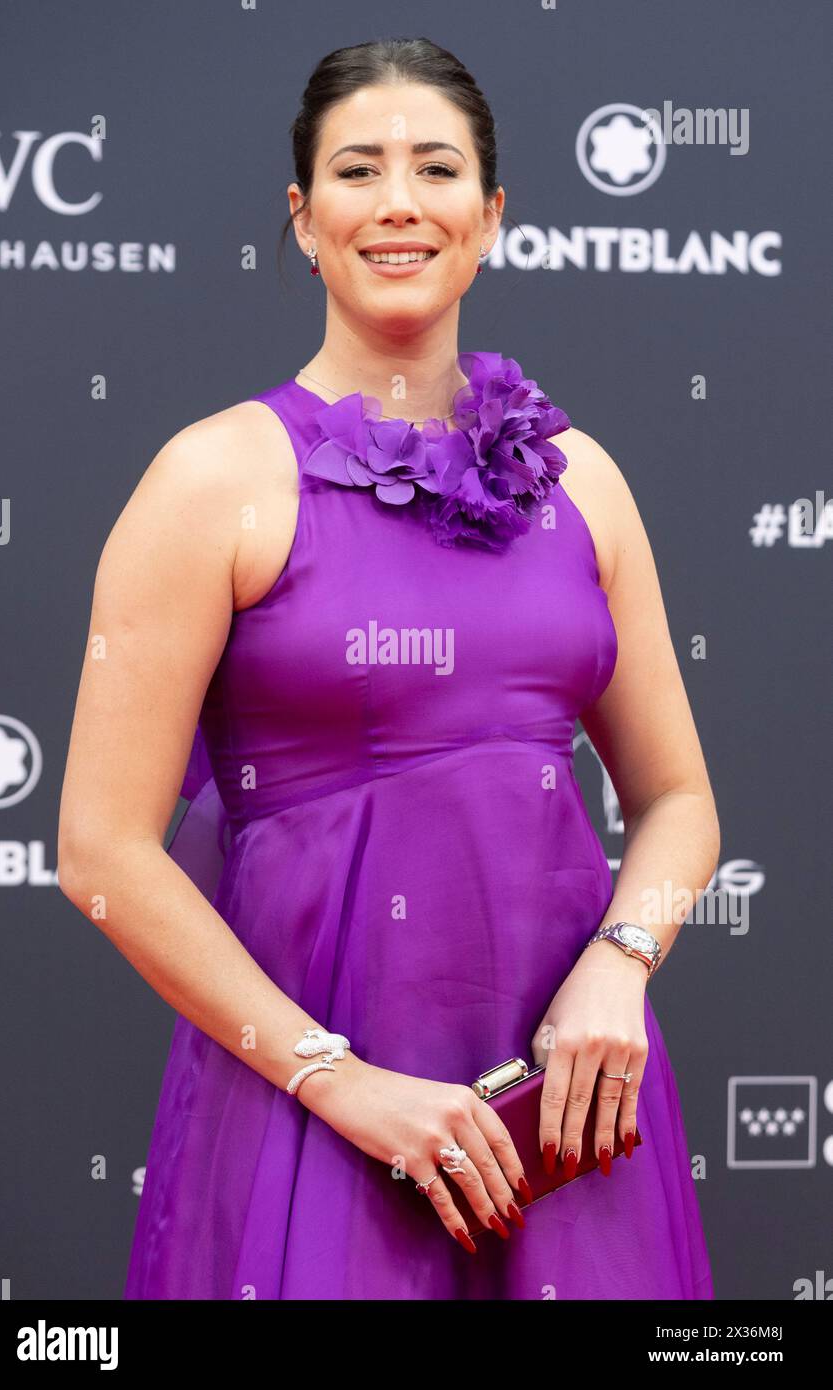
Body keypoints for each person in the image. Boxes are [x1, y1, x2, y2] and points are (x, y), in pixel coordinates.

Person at [58, 36, 718, 1300]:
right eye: (357, 171)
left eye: (436, 168)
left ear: (490, 216)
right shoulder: (212, 479)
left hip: (564, 1111)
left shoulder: (583, 479)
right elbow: (100, 848)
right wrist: (337, 1080)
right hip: (311, 1108)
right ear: (302, 222)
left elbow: (679, 801)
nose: (400, 202)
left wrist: (618, 964)